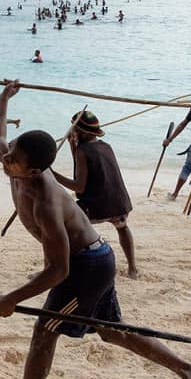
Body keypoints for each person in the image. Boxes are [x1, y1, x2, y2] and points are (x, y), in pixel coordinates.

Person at [0, 82, 191, 379]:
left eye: (13, 158)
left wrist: (13, 297)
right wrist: (4, 97)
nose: (6, 157)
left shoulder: (45, 201)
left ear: (34, 171)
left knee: (44, 332)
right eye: (11, 150)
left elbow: (58, 271)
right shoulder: (15, 161)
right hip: (91, 259)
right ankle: (189, 370)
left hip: (87, 267)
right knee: (110, 331)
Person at [51, 111, 139, 278]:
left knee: (59, 227)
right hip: (119, 203)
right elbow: (84, 167)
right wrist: (73, 146)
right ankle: (132, 269)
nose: (71, 131)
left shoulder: (83, 151)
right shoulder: (105, 146)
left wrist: (53, 175)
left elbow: (79, 187)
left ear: (81, 132)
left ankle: (56, 268)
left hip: (97, 207)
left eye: (74, 129)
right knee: (122, 227)